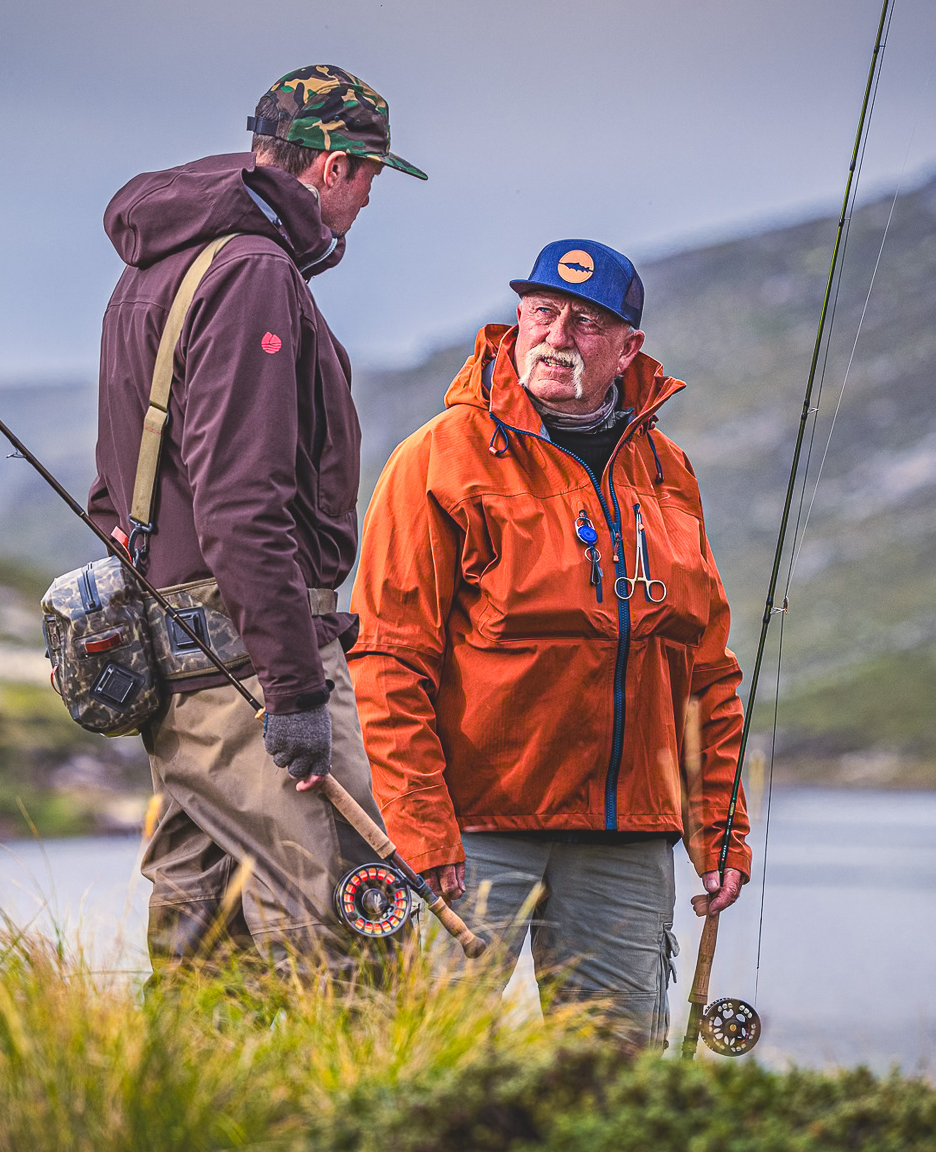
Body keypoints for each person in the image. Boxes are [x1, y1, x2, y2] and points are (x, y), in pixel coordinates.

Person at [349, 239, 751, 1047]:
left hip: (628, 836)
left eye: (588, 322)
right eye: (543, 312)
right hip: (474, 833)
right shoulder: (438, 458)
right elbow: (390, 657)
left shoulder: (668, 472)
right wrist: (422, 830)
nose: (557, 336)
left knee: (611, 1082)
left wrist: (720, 826)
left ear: (628, 348)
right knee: (428, 1062)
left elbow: (706, 669)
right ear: (517, 321)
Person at [88, 65, 426, 963]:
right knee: (348, 921)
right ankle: (349, 1107)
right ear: (333, 167)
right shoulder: (255, 273)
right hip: (250, 662)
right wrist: (295, 686)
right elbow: (243, 500)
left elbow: (109, 494)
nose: (366, 201)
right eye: (371, 178)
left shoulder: (157, 268)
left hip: (182, 668)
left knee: (204, 929)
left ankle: (186, 1104)